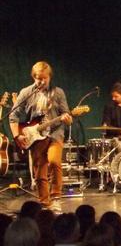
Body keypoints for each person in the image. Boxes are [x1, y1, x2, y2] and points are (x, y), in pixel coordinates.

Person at [9, 61, 73, 208]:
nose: (42, 81)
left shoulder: (58, 92)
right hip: (35, 136)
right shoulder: (26, 92)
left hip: (55, 134)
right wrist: (17, 136)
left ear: (50, 77)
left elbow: (67, 115)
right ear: (34, 77)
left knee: (54, 161)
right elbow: (13, 115)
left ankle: (55, 197)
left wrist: (68, 119)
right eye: (39, 78)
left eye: (45, 78)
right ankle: (44, 203)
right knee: (39, 170)